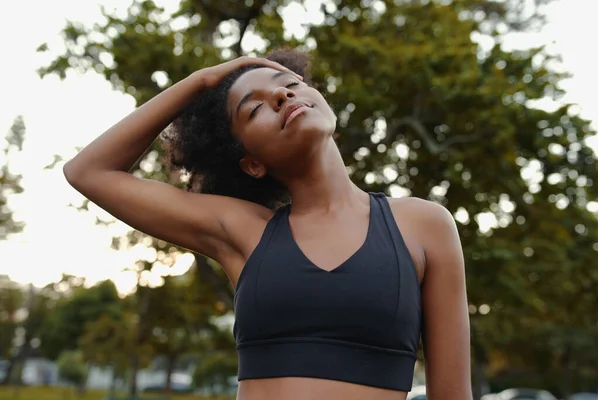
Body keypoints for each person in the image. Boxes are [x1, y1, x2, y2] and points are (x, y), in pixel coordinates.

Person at [63, 48, 472, 400]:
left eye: (289, 84)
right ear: (252, 164)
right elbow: (89, 172)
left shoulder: (424, 224)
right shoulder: (245, 232)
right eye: (254, 108)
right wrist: (201, 81)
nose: (280, 94)